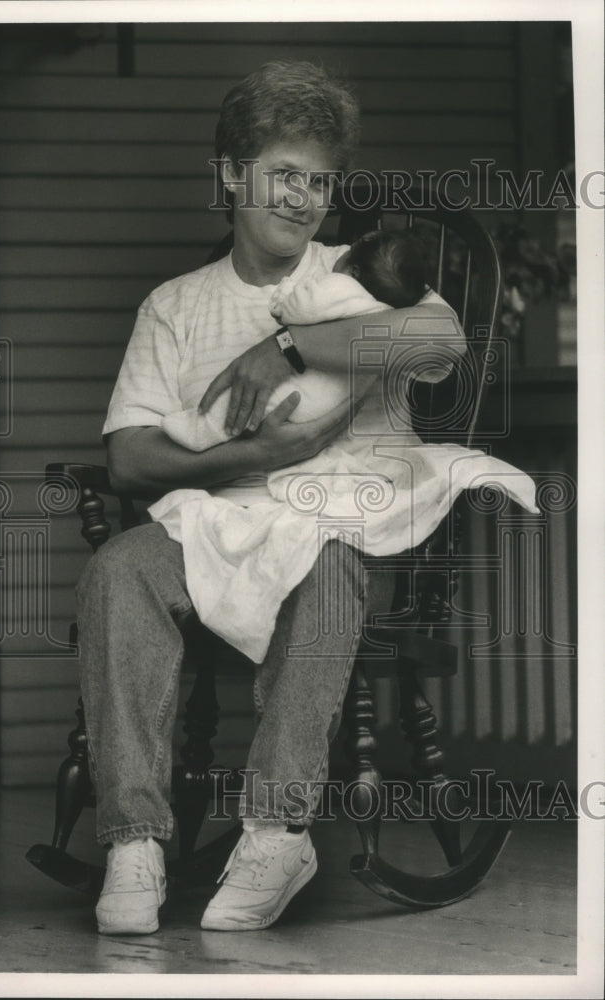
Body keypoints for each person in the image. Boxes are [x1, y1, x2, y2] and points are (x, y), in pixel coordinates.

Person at [77, 60, 467, 937]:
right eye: (283, 175)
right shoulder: (175, 306)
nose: (304, 198)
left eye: (320, 180)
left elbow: (444, 337)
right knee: (116, 571)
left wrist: (289, 348)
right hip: (209, 527)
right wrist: (260, 450)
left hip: (330, 525)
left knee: (327, 564)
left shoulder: (358, 274)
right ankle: (134, 838)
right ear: (228, 176)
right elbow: (130, 462)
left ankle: (275, 831)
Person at [161, 229, 428, 452]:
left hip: (304, 394)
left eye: (320, 182)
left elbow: (301, 308)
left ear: (354, 272)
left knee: (242, 400)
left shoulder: (341, 284)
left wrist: (284, 302)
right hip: (335, 401)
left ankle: (199, 430)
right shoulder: (386, 309)